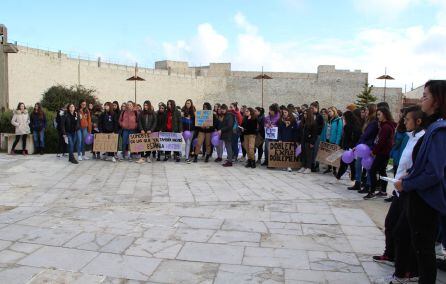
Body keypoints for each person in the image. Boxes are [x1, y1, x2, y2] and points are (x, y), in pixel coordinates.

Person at [394, 80, 446, 284]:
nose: (421, 99)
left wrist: (407, 184)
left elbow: (433, 172)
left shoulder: (439, 130)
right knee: (415, 243)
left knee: (424, 251)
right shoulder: (433, 127)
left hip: (426, 199)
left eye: (426, 96)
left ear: (437, 101)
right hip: (418, 196)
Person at [374, 105, 425, 283]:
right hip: (399, 187)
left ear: (418, 121)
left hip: (409, 190)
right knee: (392, 224)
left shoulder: (422, 139)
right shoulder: (411, 137)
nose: (403, 120)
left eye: (407, 118)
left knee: (403, 231)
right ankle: (394, 259)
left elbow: (420, 166)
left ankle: (408, 270)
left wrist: (407, 178)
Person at [363, 107, 395, 200]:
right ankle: (383, 191)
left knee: (373, 170)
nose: (377, 117)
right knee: (382, 171)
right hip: (383, 152)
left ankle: (372, 192)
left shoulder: (386, 127)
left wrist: (374, 152)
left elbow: (381, 142)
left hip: (383, 152)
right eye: (377, 115)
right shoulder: (383, 125)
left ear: (385, 114)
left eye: (379, 114)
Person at [350, 104, 378, 192]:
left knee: (368, 166)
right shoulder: (367, 120)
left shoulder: (373, 122)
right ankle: (358, 182)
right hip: (363, 146)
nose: (365, 112)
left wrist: (357, 145)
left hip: (368, 146)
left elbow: (366, 135)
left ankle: (368, 185)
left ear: (370, 110)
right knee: (358, 163)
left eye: (366, 110)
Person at [336, 110, 361, 181]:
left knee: (344, 162)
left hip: (348, 147)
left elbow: (345, 138)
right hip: (354, 147)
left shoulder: (347, 127)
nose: (343, 120)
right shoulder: (357, 125)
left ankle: (338, 176)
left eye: (344, 118)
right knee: (352, 164)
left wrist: (343, 146)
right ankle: (353, 178)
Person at [321, 106, 343, 175]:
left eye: (330, 111)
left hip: (334, 140)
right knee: (328, 154)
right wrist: (323, 139)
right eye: (328, 112)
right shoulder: (327, 120)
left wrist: (337, 142)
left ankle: (334, 170)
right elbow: (324, 130)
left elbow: (339, 132)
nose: (329, 113)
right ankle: (329, 168)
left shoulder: (338, 120)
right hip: (327, 139)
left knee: (334, 156)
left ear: (334, 112)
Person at [278, 107, 299, 172]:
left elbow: (296, 130)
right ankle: (285, 165)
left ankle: (289, 166)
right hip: (284, 138)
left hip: (291, 139)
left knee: (290, 153)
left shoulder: (293, 120)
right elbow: (279, 130)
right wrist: (280, 138)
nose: (284, 114)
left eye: (285, 112)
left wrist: (295, 140)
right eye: (283, 112)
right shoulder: (281, 120)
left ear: (289, 113)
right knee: (284, 153)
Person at [297, 108, 318, 174]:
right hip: (302, 140)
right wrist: (298, 140)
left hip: (309, 141)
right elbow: (300, 132)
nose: (305, 115)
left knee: (308, 154)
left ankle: (308, 168)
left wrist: (312, 142)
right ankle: (303, 166)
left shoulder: (313, 123)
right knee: (303, 154)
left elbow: (315, 134)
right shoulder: (302, 122)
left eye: (306, 113)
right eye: (304, 113)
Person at [310, 101, 324, 172]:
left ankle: (316, 165)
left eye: (312, 108)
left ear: (316, 108)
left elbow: (322, 126)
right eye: (310, 108)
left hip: (317, 135)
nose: (311, 110)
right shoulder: (311, 115)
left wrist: (317, 131)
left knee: (316, 151)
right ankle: (311, 164)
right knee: (311, 151)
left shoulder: (320, 116)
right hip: (311, 135)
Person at [181, 99, 196, 163]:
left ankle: (187, 156)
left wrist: (195, 114)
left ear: (191, 104)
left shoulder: (193, 111)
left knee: (189, 143)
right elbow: (180, 122)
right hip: (185, 130)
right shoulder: (183, 111)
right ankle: (187, 158)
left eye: (189, 103)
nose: (188, 104)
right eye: (187, 103)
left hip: (192, 130)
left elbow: (197, 120)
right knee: (188, 142)